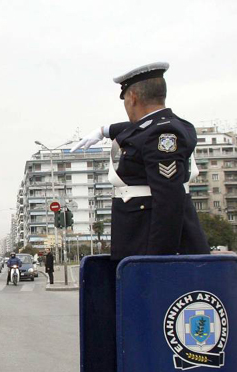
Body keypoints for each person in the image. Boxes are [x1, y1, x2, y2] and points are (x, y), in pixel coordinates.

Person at [72, 62, 209, 260]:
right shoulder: (169, 125)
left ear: (133, 97)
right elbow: (141, 128)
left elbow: (169, 201)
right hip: (141, 243)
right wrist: (105, 131)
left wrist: (155, 261)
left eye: (125, 100)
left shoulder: (163, 134)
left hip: (148, 246)